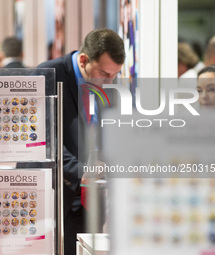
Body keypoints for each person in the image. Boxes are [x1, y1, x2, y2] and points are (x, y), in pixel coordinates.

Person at [37, 28, 125, 255]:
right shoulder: (47, 75)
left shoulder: (110, 84)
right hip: (52, 196)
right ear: (84, 60)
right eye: (104, 74)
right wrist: (80, 169)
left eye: (115, 74)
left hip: (91, 199)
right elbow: (39, 138)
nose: (110, 81)